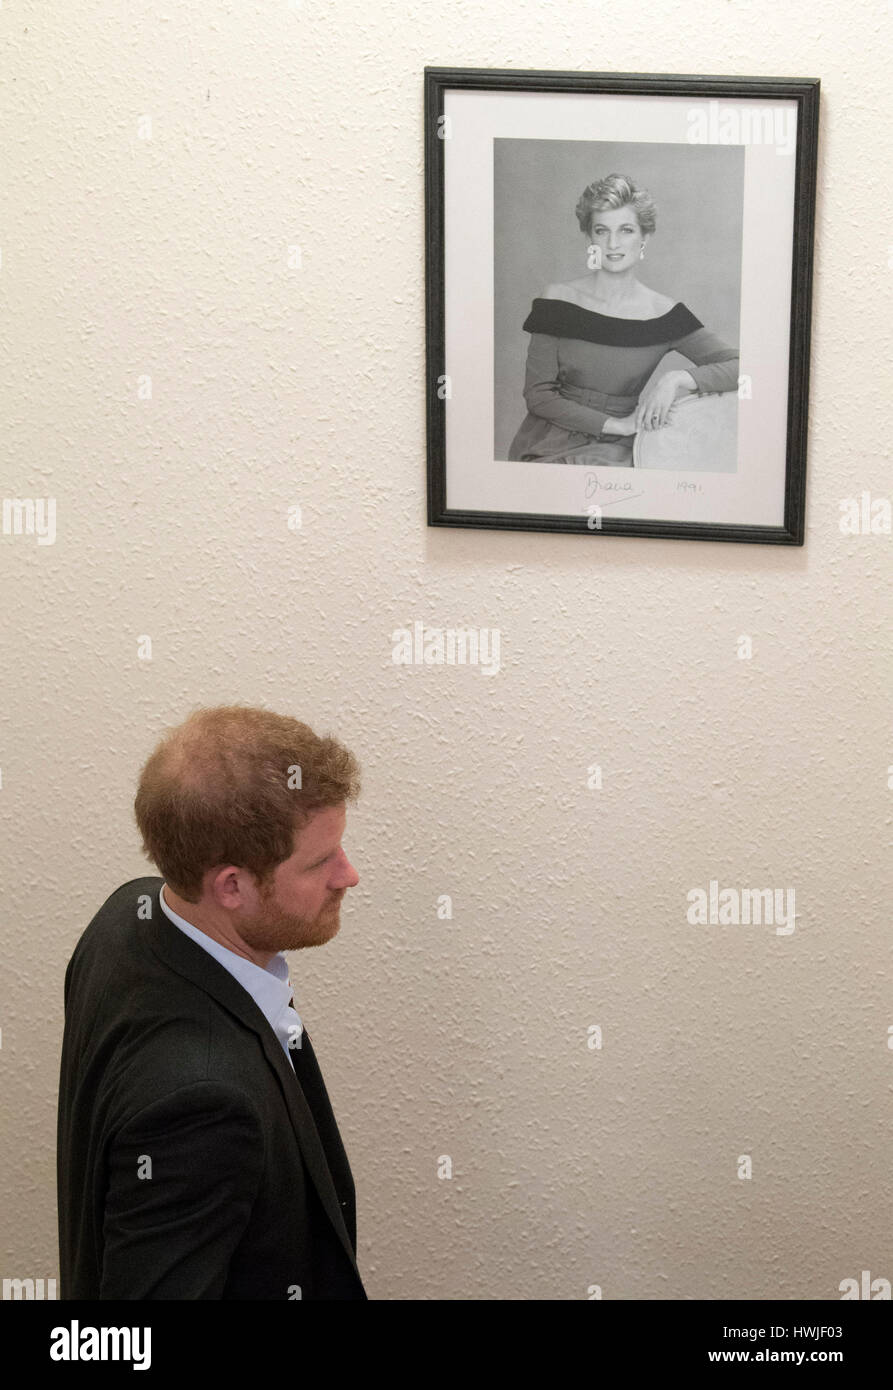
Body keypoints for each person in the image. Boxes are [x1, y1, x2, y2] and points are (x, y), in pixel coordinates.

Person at [56, 704, 367, 1299]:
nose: (348, 876)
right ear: (231, 886)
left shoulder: (128, 917)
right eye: (321, 861)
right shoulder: (203, 1104)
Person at [506, 173, 740, 467]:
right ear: (589, 236)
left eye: (626, 230)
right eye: (602, 231)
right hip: (547, 442)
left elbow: (744, 369)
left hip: (621, 450)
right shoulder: (557, 298)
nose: (613, 244)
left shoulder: (665, 314)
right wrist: (619, 425)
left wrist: (677, 378)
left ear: (645, 237)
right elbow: (538, 396)